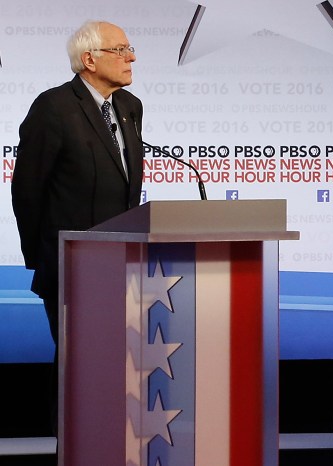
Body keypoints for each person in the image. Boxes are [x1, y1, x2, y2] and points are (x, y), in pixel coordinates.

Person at [10, 20, 143, 432]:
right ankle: (71, 446)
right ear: (89, 59)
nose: (131, 57)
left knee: (117, 362)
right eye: (120, 50)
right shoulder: (53, 108)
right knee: (77, 363)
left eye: (129, 48)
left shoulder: (130, 107)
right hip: (71, 264)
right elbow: (28, 192)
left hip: (124, 264)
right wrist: (45, 259)